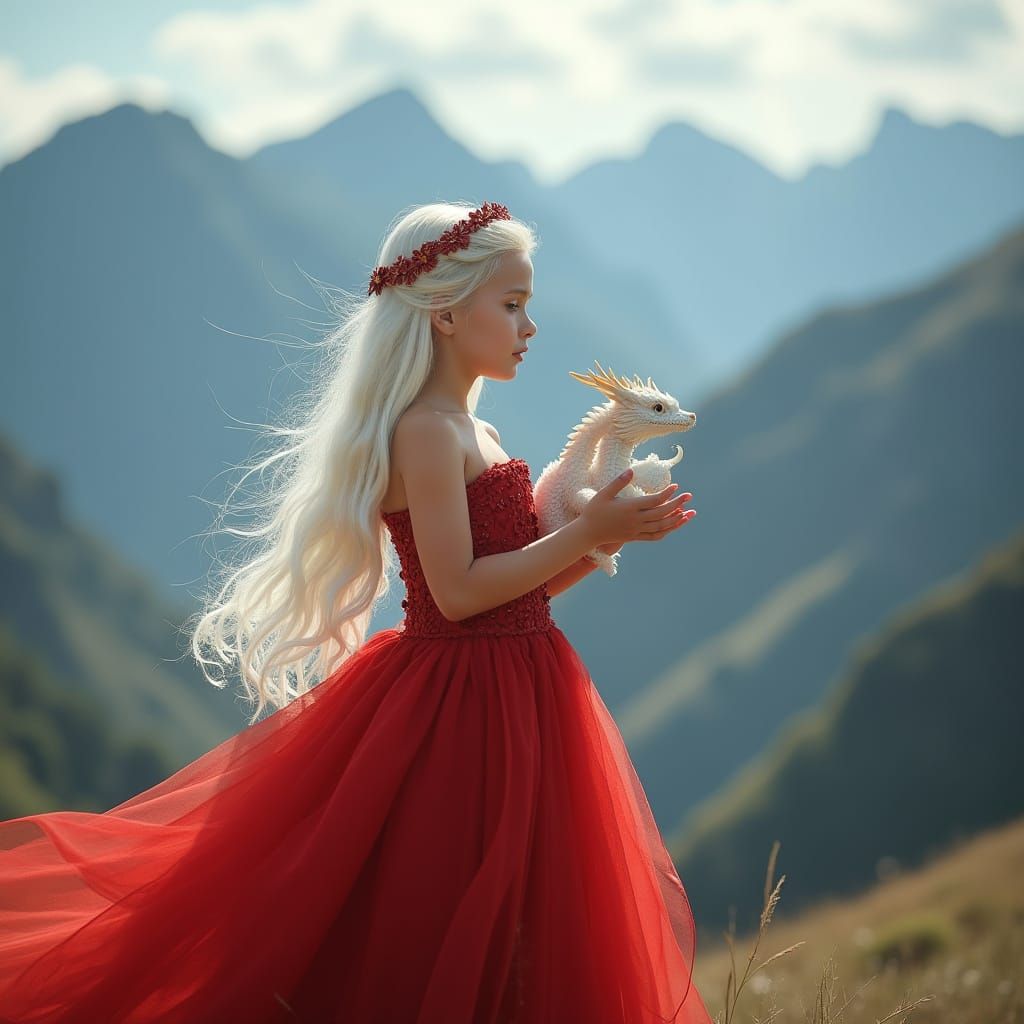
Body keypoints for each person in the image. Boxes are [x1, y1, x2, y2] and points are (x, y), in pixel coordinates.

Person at [0, 200, 711, 1023]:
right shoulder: (426, 433)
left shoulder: (477, 430)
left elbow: (513, 594)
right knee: (448, 913)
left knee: (526, 918)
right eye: (512, 304)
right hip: (459, 710)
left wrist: (603, 542)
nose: (531, 326)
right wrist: (587, 528)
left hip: (523, 690)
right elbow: (459, 594)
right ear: (446, 312)